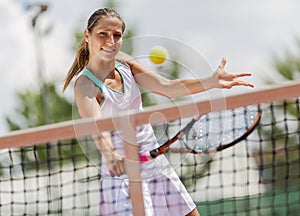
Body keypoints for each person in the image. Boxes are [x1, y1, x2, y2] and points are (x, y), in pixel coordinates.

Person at [62, 8, 253, 216]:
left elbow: (166, 86)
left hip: (155, 165)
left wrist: (212, 81)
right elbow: (97, 127)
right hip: (123, 174)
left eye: (117, 36)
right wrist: (110, 154)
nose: (110, 41)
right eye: (103, 34)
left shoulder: (125, 64)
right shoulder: (85, 84)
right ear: (87, 35)